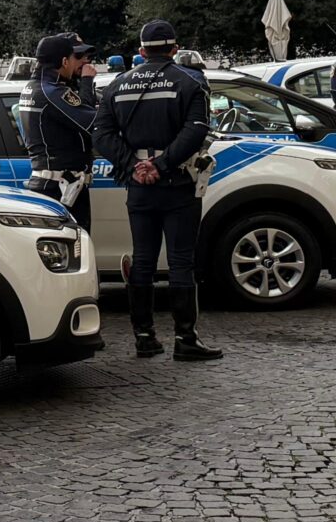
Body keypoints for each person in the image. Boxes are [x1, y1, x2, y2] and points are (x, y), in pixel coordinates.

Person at [94, 19, 221, 362]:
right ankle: (185, 339)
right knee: (181, 261)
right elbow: (196, 131)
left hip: (138, 185)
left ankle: (145, 337)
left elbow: (102, 135)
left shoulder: (117, 85)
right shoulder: (190, 81)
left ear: (141, 51)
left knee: (143, 260)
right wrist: (162, 165)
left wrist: (135, 165)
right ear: (175, 49)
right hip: (177, 181)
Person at [16, 32, 97, 232]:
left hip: (51, 183)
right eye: (74, 58)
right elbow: (91, 122)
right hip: (60, 189)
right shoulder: (52, 91)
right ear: (64, 61)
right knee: (71, 251)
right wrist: (86, 82)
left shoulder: (32, 87)